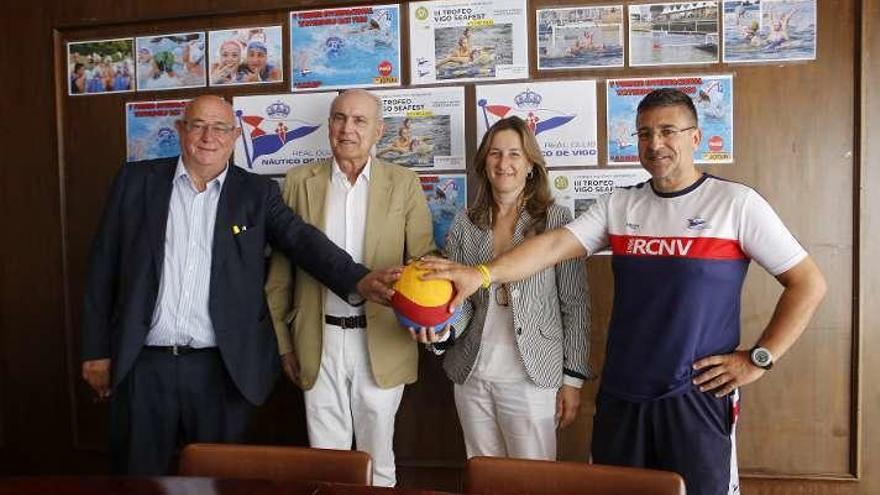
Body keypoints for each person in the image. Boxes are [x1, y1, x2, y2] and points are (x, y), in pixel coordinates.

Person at [421, 89, 827, 495]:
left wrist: (759, 358)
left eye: (668, 131)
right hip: (622, 396)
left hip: (696, 396)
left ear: (695, 137)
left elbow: (808, 282)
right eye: (644, 133)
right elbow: (550, 247)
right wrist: (483, 274)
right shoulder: (620, 204)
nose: (655, 144)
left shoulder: (736, 203)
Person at [80, 95, 397, 475]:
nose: (208, 137)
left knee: (220, 480)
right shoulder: (135, 182)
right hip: (145, 366)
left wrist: (359, 279)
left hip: (222, 371)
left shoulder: (256, 193)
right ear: (181, 130)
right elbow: (102, 269)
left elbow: (303, 242)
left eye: (220, 128)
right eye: (198, 125)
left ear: (235, 136)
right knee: (140, 479)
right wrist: (96, 351)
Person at [264, 89, 435, 487]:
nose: (347, 129)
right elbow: (280, 273)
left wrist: (428, 312)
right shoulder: (298, 182)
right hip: (315, 339)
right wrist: (283, 343)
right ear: (329, 125)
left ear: (379, 130)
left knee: (379, 464)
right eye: (339, 118)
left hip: (383, 339)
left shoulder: (404, 182)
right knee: (328, 467)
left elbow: (424, 258)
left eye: (359, 121)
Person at [418, 117, 590, 461]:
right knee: (483, 474)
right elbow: (459, 299)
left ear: (530, 165)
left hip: (532, 374)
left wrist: (573, 381)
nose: (503, 163)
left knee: (534, 480)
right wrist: (442, 331)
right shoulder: (466, 222)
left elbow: (575, 304)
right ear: (484, 162)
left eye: (514, 154)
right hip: (472, 371)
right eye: (495, 153)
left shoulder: (555, 220)